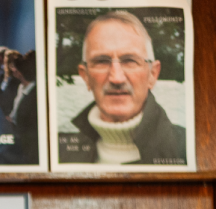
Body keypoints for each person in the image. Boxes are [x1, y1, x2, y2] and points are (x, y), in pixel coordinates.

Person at [63, 11, 186, 165]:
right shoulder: (62, 151)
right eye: (102, 61)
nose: (116, 78)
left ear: (153, 74)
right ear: (85, 76)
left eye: (130, 60)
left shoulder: (187, 148)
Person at [0, 50, 39, 165]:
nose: (12, 69)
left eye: (15, 68)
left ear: (20, 73)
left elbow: (27, 134)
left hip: (20, 146)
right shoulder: (21, 87)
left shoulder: (34, 96)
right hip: (12, 131)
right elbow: (14, 115)